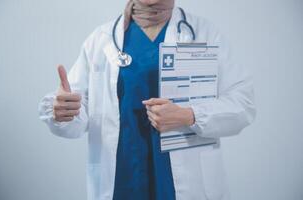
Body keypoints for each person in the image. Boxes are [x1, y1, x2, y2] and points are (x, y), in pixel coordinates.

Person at [38, 0, 256, 199]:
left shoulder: (204, 32)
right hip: (123, 179)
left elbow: (242, 103)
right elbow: (79, 111)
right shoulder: (101, 38)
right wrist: (64, 111)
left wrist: (190, 115)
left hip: (182, 183)